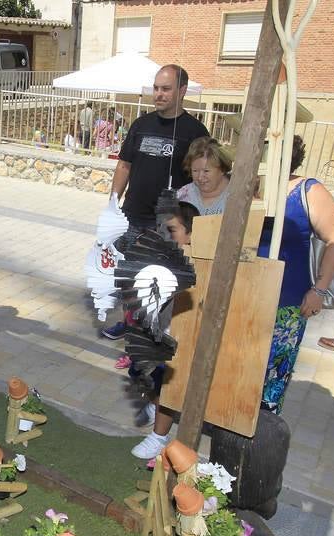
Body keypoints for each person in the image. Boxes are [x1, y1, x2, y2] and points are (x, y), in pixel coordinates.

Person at [101, 64, 209, 340]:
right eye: (156, 88)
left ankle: (152, 331)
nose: (159, 94)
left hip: (168, 223)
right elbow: (124, 165)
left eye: (166, 89)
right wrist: (113, 204)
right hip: (133, 216)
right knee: (129, 274)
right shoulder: (141, 125)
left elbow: (204, 177)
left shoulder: (195, 132)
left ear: (182, 91)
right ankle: (129, 322)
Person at [257, 135, 334, 414]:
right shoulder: (252, 185)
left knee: (273, 376)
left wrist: (319, 290)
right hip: (248, 295)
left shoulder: (309, 190)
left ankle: (263, 432)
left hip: (288, 303)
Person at [130, 202, 200, 458]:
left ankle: (159, 437)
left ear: (190, 234)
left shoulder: (193, 266)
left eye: (171, 230)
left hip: (173, 340)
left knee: (166, 389)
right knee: (144, 376)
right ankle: (154, 404)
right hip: (152, 335)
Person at [177, 136, 232, 215]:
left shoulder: (238, 196)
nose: (200, 177)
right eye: (195, 171)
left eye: (206, 171)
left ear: (222, 169)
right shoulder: (183, 196)